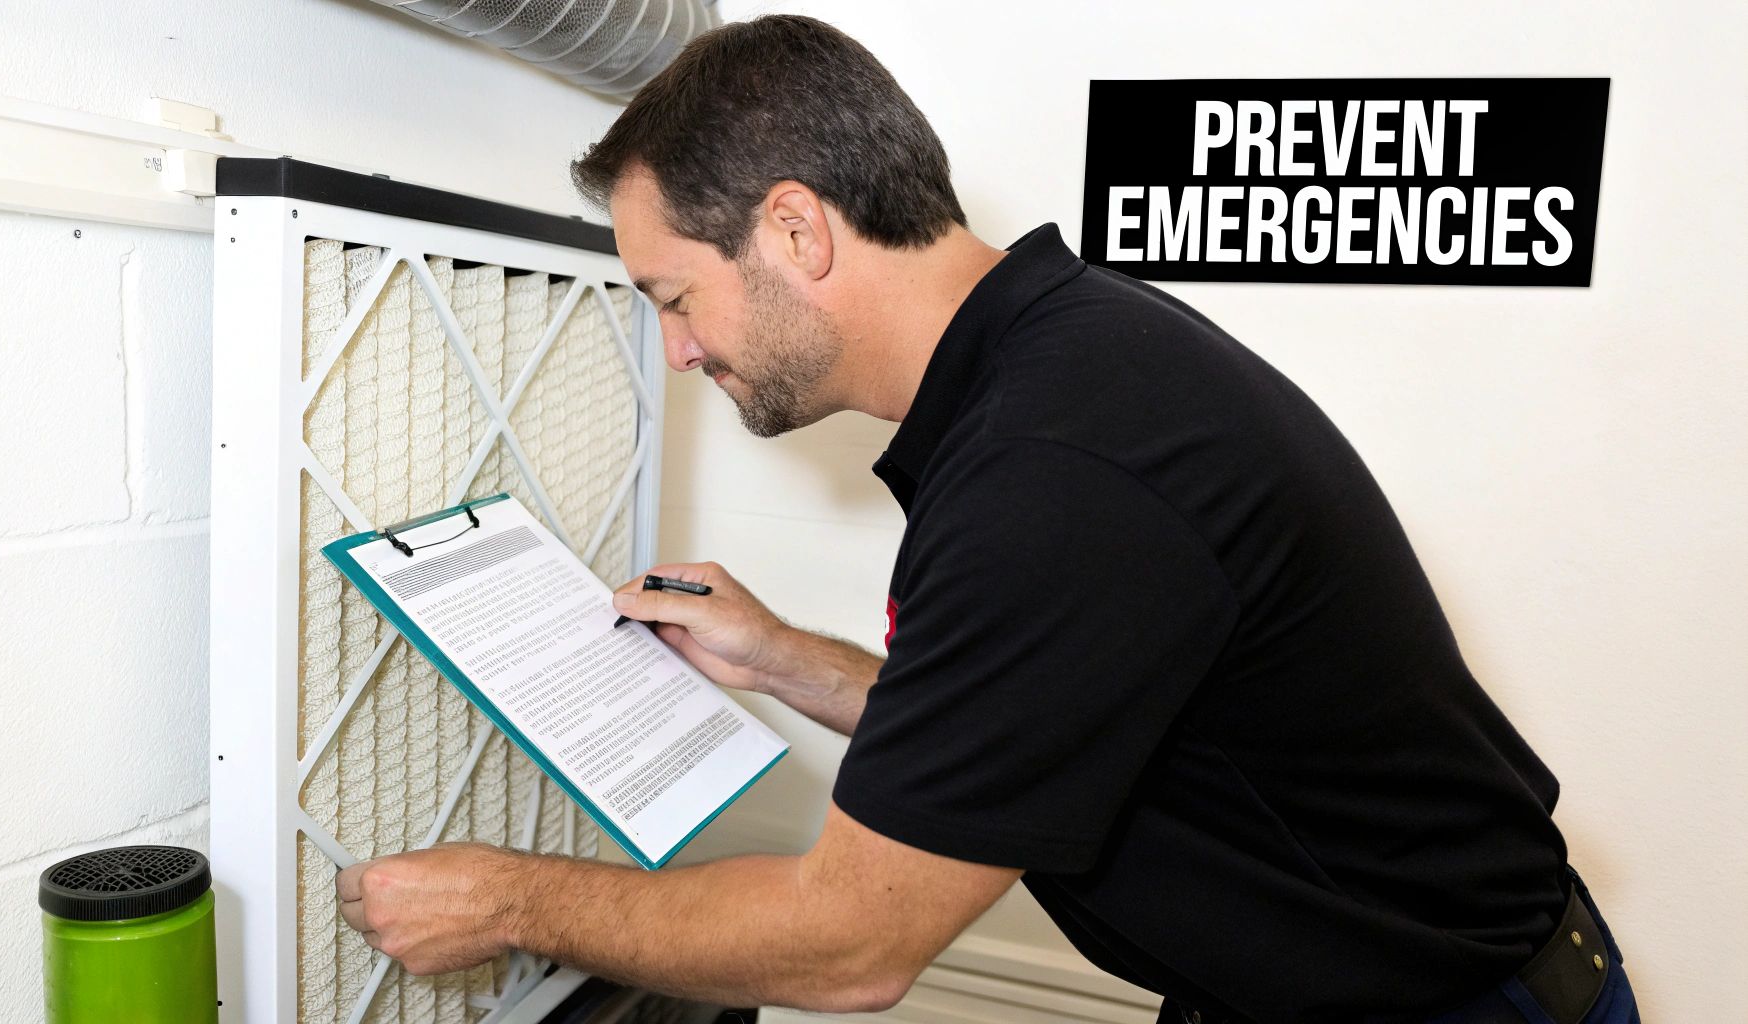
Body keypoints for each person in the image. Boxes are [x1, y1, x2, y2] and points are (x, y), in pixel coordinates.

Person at [335, 15, 1641, 1023]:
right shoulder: (1062, 361)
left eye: (676, 297)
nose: (677, 352)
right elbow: (1042, 717)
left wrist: (511, 898)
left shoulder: (1056, 467)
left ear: (795, 230)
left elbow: (850, 947)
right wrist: (787, 660)